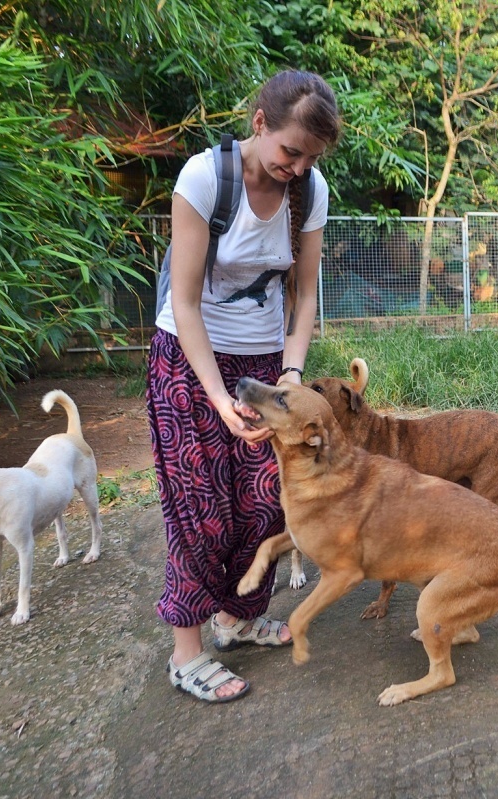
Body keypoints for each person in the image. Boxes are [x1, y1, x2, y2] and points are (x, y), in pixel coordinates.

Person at [146, 70, 342, 703]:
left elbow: (304, 291)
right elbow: (185, 301)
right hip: (188, 358)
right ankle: (186, 651)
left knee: (267, 501)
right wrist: (215, 396)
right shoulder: (204, 179)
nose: (299, 166)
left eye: (312, 156)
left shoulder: (309, 191)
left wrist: (290, 372)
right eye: (291, 150)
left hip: (264, 358)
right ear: (260, 124)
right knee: (200, 510)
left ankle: (237, 616)